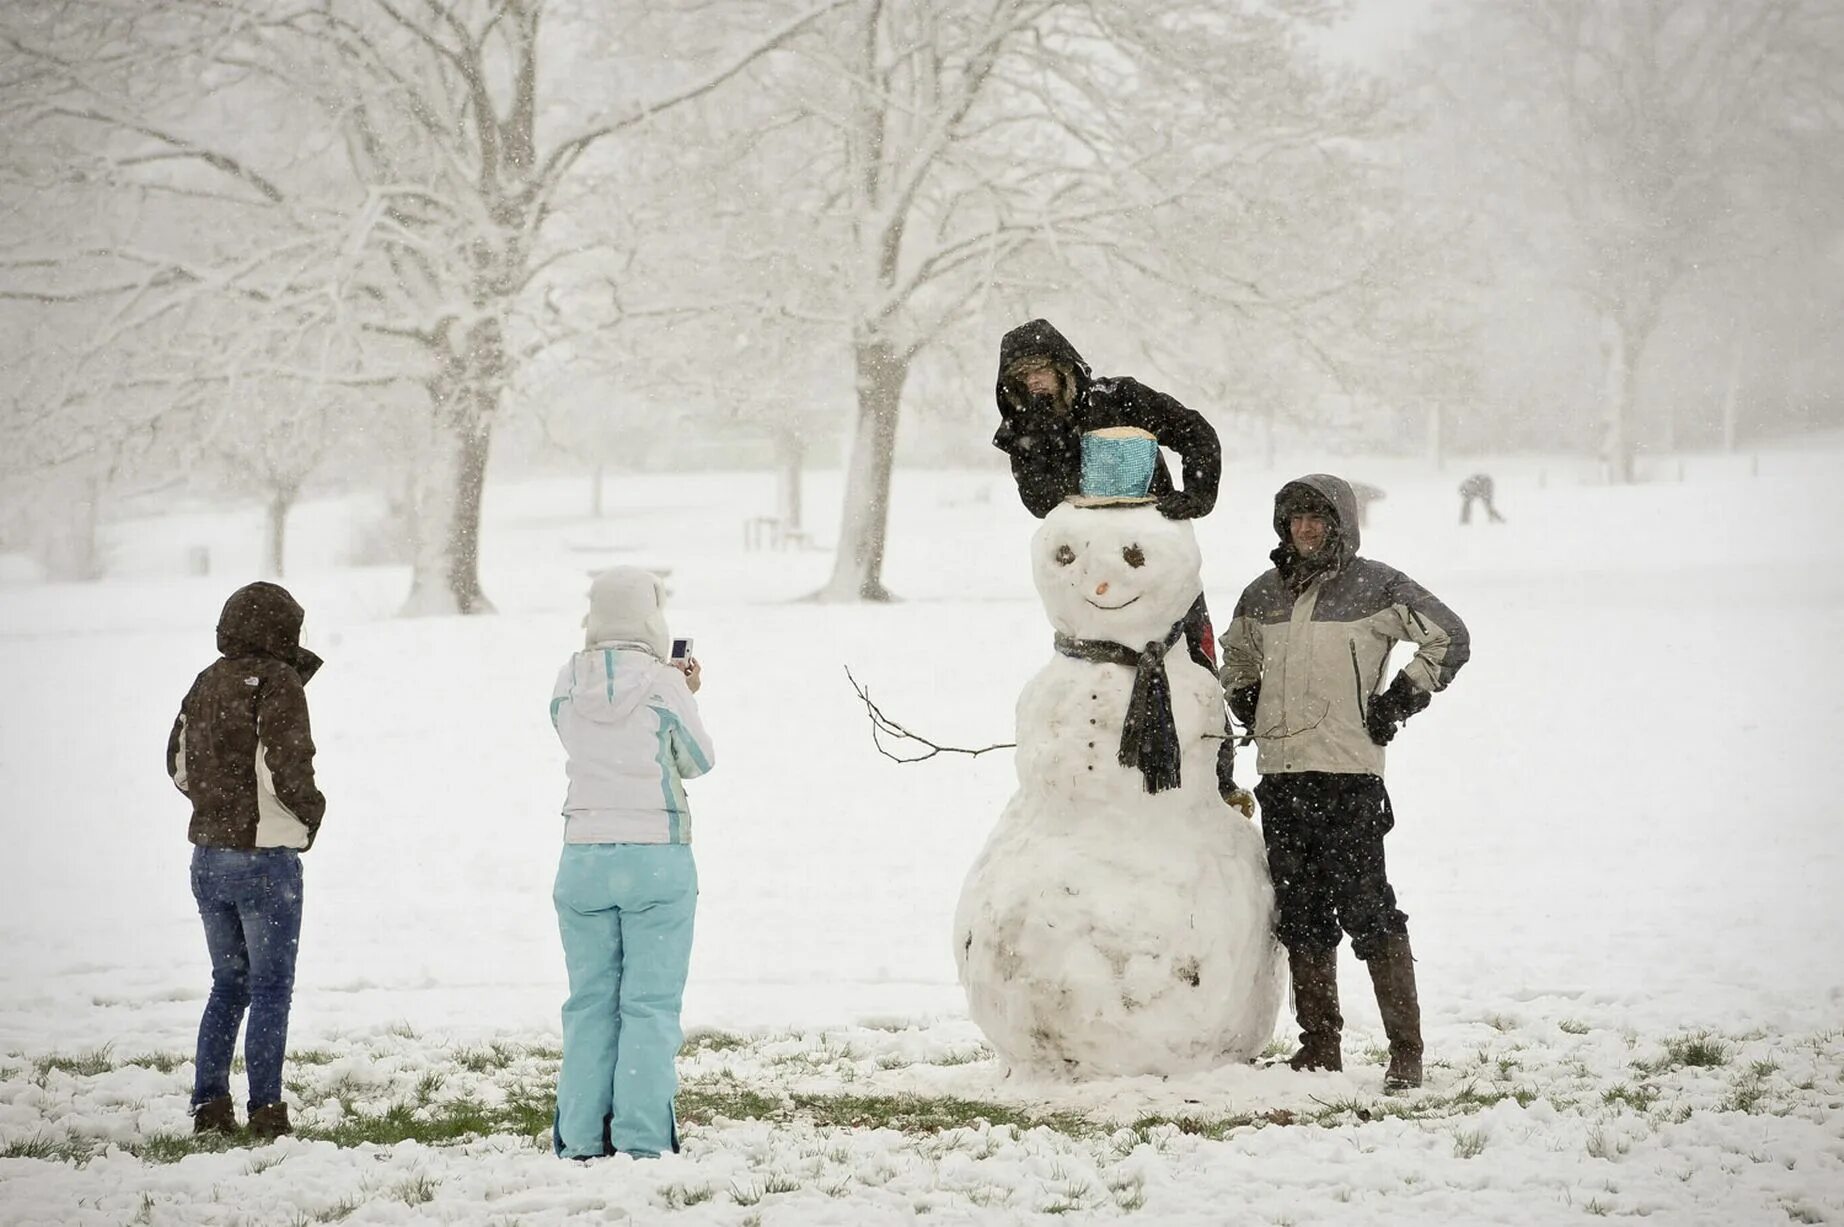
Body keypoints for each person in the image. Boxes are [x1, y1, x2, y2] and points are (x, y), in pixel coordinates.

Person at [1222, 475, 1470, 1090]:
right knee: (1301, 912)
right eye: (1295, 518)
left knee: (1368, 907)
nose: (1305, 528)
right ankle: (1319, 1047)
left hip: (1347, 775)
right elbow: (1235, 658)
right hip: (1282, 776)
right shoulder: (1262, 594)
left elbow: (1449, 637)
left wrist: (1398, 701)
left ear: (1341, 523)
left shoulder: (1377, 586)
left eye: (1317, 517)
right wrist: (1246, 695)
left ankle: (1405, 1051)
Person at [991, 318, 1247, 809]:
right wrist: (1044, 432)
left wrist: (1195, 495)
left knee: (1195, 665)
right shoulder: (1022, 430)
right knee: (1092, 674)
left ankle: (1217, 786)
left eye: (1043, 370)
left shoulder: (1119, 397)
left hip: (1156, 568)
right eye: (1025, 378)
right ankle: (1093, 792)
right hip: (1089, 578)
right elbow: (1040, 501)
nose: (1036, 383)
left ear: (1066, 368)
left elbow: (1193, 430)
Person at [549, 567, 714, 1160]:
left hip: (584, 855)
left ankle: (582, 1138)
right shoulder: (664, 683)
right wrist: (684, 694)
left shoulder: (567, 680)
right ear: (652, 617)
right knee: (649, 1005)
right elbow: (698, 761)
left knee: (589, 1003)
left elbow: (572, 738)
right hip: (656, 857)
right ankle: (643, 1140)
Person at [167, 581, 325, 1139]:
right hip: (264, 861)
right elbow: (286, 764)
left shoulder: (205, 681)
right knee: (271, 988)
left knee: (227, 984)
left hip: (207, 858)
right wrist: (308, 816)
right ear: (282, 631)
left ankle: (209, 1107)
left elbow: (179, 766)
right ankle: (266, 1113)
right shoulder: (279, 682)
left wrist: (217, 809)